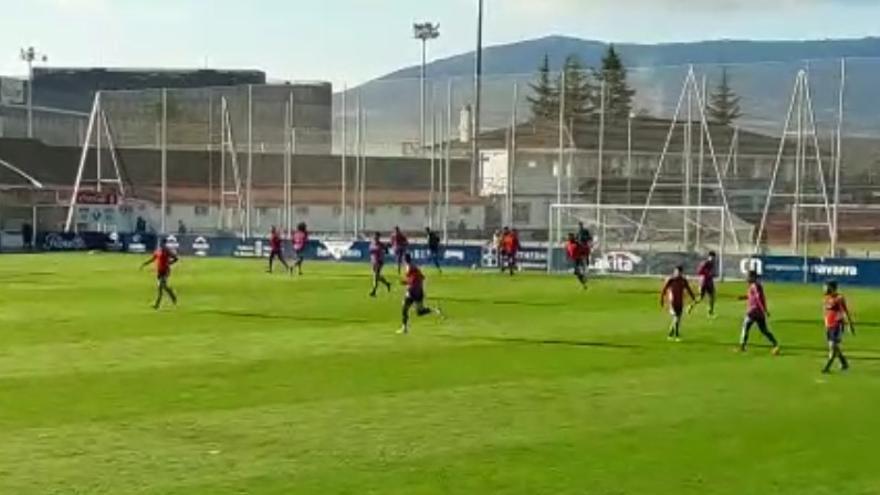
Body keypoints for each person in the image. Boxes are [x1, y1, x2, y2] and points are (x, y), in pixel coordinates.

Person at [738, 270, 780, 354]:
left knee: (745, 326)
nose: (747, 278)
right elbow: (753, 296)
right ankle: (775, 343)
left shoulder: (754, 286)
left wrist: (765, 310)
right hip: (759, 312)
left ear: (753, 277)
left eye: (749, 276)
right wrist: (744, 297)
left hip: (753, 311)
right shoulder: (756, 285)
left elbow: (759, 298)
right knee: (764, 330)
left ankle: (742, 346)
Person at [399, 253, 443, 334]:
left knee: (404, 308)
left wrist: (404, 282)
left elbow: (412, 281)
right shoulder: (415, 267)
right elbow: (422, 277)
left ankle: (404, 328)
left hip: (412, 291)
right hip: (419, 291)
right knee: (420, 312)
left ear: (405, 260)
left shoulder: (409, 268)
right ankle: (435, 310)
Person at [822, 281, 855, 374]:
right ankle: (844, 363)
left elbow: (845, 312)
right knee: (834, 347)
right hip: (829, 326)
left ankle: (827, 367)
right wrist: (826, 323)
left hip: (837, 326)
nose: (824, 289)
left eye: (826, 287)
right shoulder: (826, 298)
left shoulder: (839, 298)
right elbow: (826, 312)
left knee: (833, 347)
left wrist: (850, 325)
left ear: (832, 288)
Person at [140, 237, 179, 310]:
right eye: (160, 243)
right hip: (159, 271)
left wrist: (169, 263)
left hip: (165, 271)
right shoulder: (158, 251)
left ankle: (157, 304)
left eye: (163, 243)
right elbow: (153, 259)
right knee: (163, 287)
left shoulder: (167, 251)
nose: (161, 245)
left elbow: (176, 258)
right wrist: (145, 264)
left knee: (160, 287)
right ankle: (173, 296)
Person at [660, 265, 696, 341]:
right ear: (674, 272)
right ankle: (677, 335)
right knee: (676, 317)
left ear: (681, 272)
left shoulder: (683, 280)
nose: (677, 273)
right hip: (672, 301)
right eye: (676, 272)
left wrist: (693, 297)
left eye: (679, 272)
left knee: (677, 319)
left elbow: (688, 289)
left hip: (680, 301)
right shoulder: (671, 280)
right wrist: (661, 300)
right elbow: (664, 290)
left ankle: (670, 334)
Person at [689, 251, 718, 316]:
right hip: (704, 282)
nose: (713, 258)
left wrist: (713, 274)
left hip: (710, 282)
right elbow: (699, 272)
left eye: (714, 257)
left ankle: (710, 311)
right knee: (700, 298)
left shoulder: (713, 264)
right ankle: (691, 306)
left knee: (712, 297)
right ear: (709, 257)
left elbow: (713, 273)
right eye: (712, 257)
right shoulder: (705, 263)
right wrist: (707, 273)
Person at [369, 232, 392, 297]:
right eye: (375, 237)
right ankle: (387, 284)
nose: (375, 238)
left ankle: (374, 291)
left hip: (379, 262)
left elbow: (387, 251)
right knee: (377, 276)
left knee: (375, 276)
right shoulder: (372, 244)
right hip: (373, 262)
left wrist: (385, 249)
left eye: (377, 237)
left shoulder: (381, 244)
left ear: (379, 237)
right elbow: (371, 252)